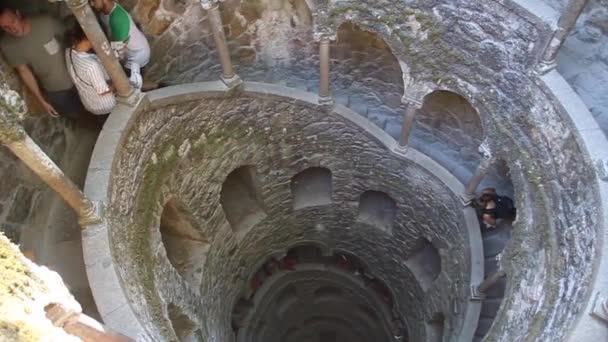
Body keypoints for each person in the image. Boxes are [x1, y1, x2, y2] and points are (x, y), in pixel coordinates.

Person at [0, 5, 83, 119]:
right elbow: (24, 71)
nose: (12, 29)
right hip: (56, 90)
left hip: (80, 77)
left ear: (18, 14)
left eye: (13, 21)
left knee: (98, 109)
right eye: (6, 27)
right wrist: (41, 100)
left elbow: (73, 37)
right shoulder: (7, 45)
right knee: (77, 114)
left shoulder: (46, 22)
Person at [89, 0, 150, 90]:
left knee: (131, 85)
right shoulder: (106, 11)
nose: (91, 4)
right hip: (131, 50)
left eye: (93, 0)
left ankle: (157, 87)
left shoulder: (117, 19)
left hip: (136, 55)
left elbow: (118, 55)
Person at [65, 25, 116, 115]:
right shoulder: (91, 66)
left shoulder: (68, 51)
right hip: (105, 105)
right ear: (88, 39)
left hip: (88, 101)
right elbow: (104, 91)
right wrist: (118, 83)